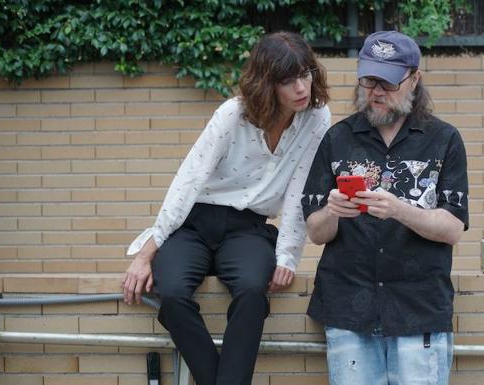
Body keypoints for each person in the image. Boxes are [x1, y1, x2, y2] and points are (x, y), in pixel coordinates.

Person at [121, 31, 330, 385]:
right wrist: (146, 252)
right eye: (288, 80)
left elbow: (301, 187)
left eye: (306, 74)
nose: (301, 87)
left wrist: (287, 255)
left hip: (248, 230)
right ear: (267, 83)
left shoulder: (316, 117)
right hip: (194, 224)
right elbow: (188, 180)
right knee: (170, 293)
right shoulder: (233, 114)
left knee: (252, 290)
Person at [301, 31, 469, 385]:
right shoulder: (337, 138)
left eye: (389, 82)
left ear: (414, 79)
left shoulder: (444, 140)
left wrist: (398, 209)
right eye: (369, 80)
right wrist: (333, 210)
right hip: (349, 306)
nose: (376, 91)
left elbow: (453, 228)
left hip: (418, 307)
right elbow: (316, 233)